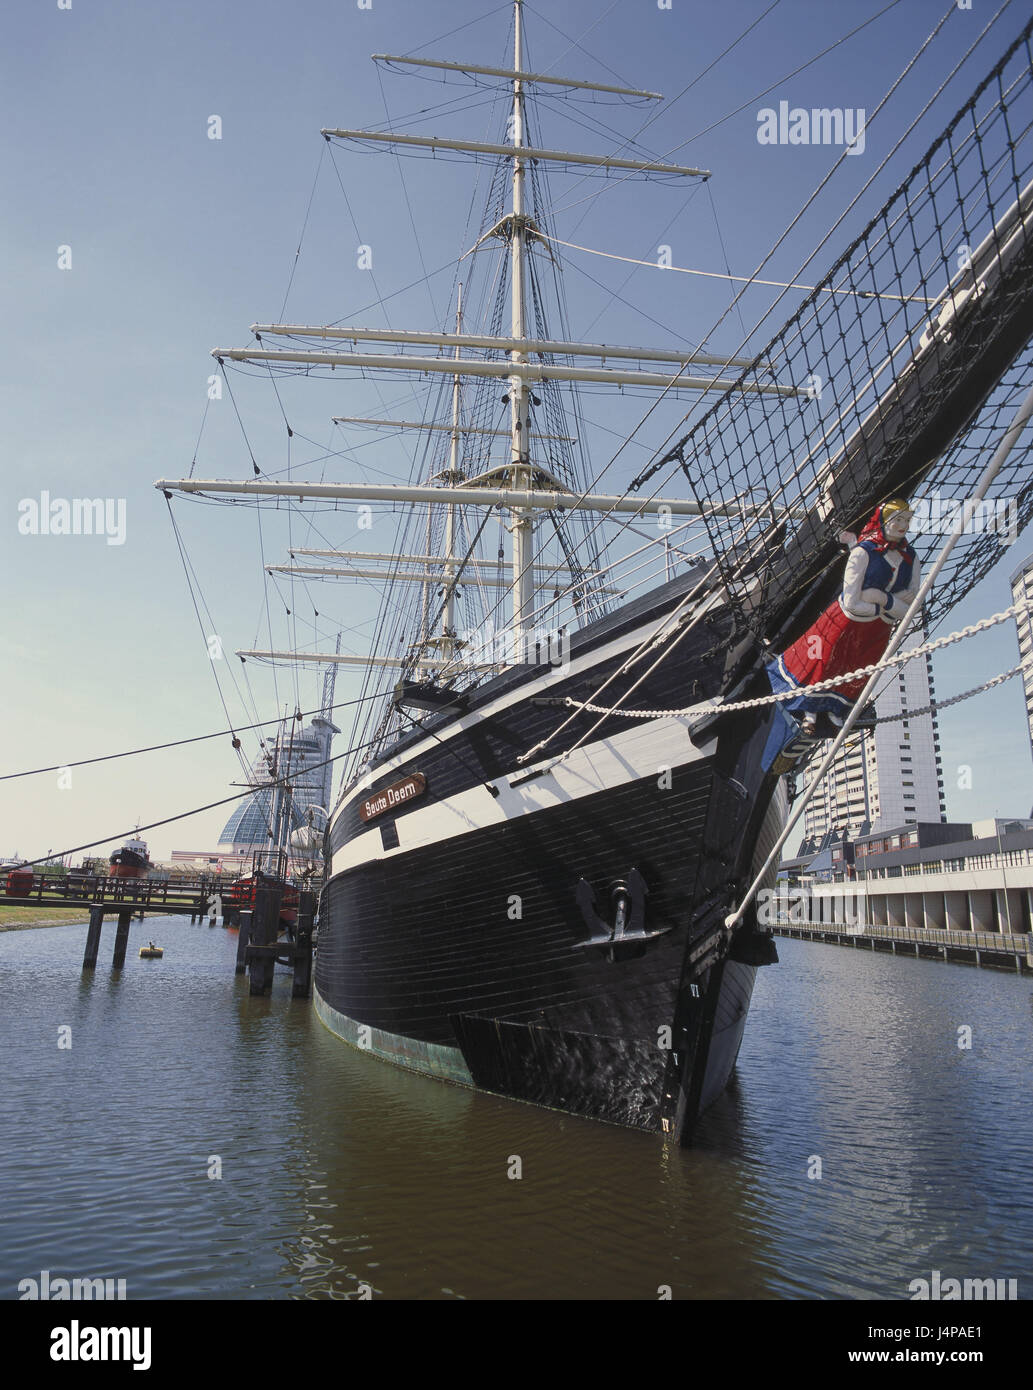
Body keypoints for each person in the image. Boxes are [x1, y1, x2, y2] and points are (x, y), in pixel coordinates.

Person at [768, 498, 918, 737]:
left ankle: (837, 712)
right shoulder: (862, 552)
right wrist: (892, 604)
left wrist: (880, 598)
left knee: (858, 670)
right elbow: (852, 603)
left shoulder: (910, 556)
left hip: (877, 630)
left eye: (907, 520)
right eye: (897, 519)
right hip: (844, 623)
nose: (903, 525)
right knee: (823, 665)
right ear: (883, 520)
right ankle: (810, 714)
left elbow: (912, 605)